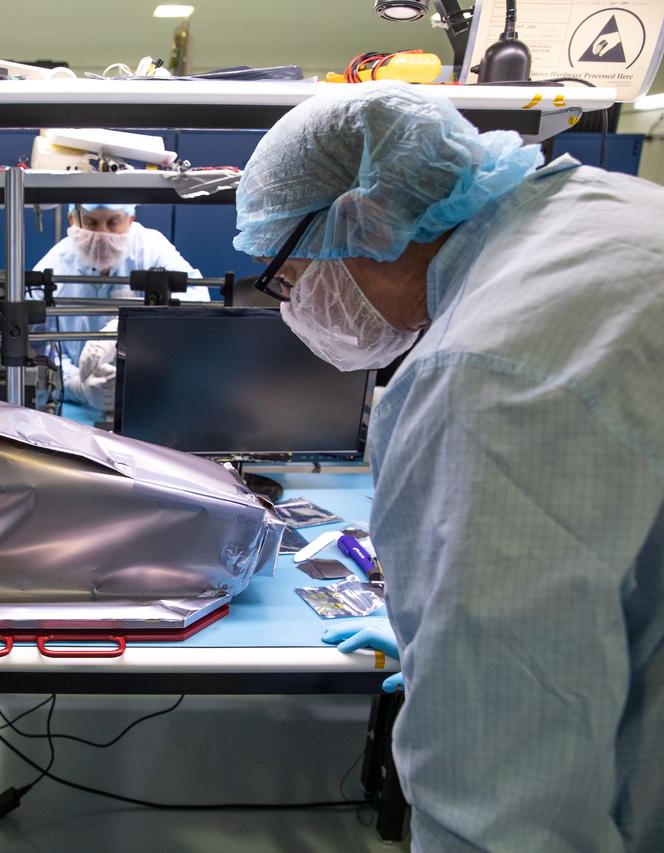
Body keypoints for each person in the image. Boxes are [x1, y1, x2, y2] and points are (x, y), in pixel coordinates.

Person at [233, 82, 663, 851]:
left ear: (366, 223)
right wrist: (444, 632)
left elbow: (498, 806)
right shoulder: (606, 215)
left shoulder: (481, 368)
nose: (299, 301)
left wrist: (469, 664)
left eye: (292, 275)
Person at [33, 203, 209, 411]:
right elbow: (39, 346)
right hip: (78, 405)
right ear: (72, 221)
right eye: (91, 222)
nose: (102, 235)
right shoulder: (55, 266)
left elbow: (197, 304)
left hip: (153, 395)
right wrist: (77, 386)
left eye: (113, 222)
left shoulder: (150, 248)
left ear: (130, 220)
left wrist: (123, 329)